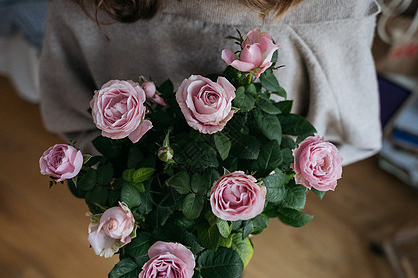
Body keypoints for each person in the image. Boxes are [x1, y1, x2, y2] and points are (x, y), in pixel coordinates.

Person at [39, 0, 382, 165]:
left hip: (147, 188)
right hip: (155, 198)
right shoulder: (338, 9)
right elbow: (353, 134)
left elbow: (70, 118)